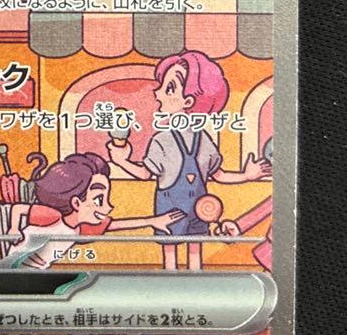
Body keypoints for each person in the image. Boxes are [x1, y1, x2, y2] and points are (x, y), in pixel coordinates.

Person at [108, 51, 271, 271]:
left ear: (188, 101)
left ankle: (188, 284)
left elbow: (145, 174)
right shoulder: (188, 138)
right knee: (185, 252)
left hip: (199, 207)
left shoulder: (171, 139)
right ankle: (187, 283)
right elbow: (219, 175)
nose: (157, 93)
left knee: (184, 251)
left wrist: (121, 161)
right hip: (172, 209)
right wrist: (246, 176)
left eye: (169, 88)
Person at [2, 151, 183, 269]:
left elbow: (115, 225)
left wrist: (152, 221)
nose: (108, 207)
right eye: (99, 199)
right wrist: (14, 229)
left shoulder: (79, 229)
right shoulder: (52, 216)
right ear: (76, 203)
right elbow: (18, 209)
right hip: (14, 268)